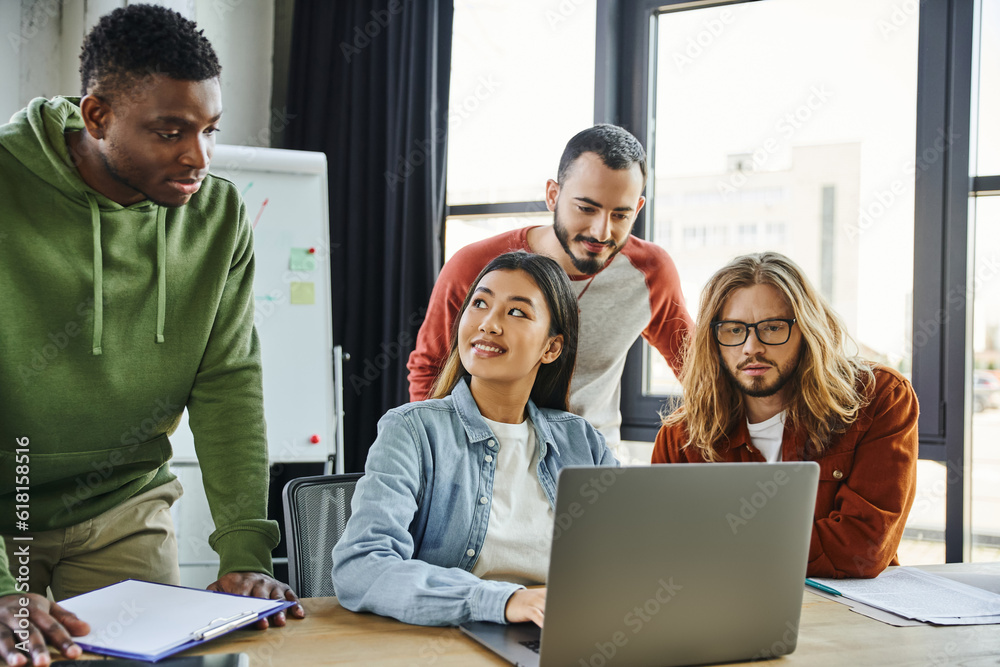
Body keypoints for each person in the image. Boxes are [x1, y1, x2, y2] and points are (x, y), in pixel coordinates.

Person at [0, 6, 302, 665]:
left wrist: (244, 554)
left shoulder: (217, 215)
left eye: (209, 130)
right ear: (98, 116)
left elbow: (229, 386)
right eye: (171, 131)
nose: (198, 156)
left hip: (124, 505)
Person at [333, 252, 617, 627]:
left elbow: (624, 557)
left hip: (563, 634)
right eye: (480, 303)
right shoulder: (413, 431)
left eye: (517, 312)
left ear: (551, 348)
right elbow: (361, 567)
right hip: (455, 637)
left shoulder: (581, 441)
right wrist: (502, 600)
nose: (488, 324)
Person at [407, 124, 693, 459]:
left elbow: (700, 373)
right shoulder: (477, 265)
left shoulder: (651, 272)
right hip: (488, 459)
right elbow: (430, 369)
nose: (602, 231)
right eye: (586, 208)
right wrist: (443, 461)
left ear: (638, 209)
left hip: (590, 464)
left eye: (620, 214)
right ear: (553, 195)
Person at [652, 252, 918, 579]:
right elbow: (663, 552)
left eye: (773, 327)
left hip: (847, 618)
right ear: (714, 339)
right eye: (734, 330)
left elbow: (862, 548)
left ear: (807, 330)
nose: (751, 347)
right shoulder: (683, 435)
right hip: (725, 613)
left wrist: (717, 542)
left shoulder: (879, 398)